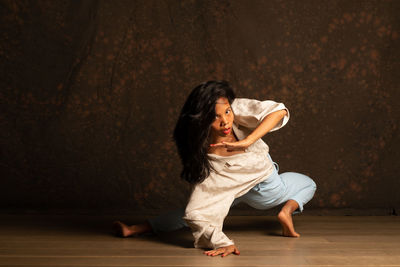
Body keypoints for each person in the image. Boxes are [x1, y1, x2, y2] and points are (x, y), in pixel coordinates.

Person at [113, 80, 316, 257]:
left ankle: (135, 230)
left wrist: (247, 141)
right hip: (266, 189)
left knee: (198, 211)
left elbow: (278, 111)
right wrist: (223, 242)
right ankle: (286, 212)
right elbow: (195, 214)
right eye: (215, 117)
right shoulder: (208, 162)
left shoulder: (232, 112)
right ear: (202, 119)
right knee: (308, 183)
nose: (226, 120)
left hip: (233, 190)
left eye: (227, 112)